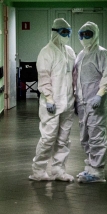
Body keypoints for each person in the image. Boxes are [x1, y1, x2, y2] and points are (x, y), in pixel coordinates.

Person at [30, 18, 77, 181]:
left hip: (68, 102)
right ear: (55, 33)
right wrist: (49, 98)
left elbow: (73, 75)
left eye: (68, 32)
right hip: (52, 103)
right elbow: (44, 77)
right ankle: (38, 170)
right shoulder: (46, 52)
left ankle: (58, 171)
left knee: (63, 139)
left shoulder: (70, 51)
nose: (67, 35)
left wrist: (76, 96)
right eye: (64, 32)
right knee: (48, 138)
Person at [73, 21, 107, 183]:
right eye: (81, 34)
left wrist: (100, 94)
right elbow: (77, 79)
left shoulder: (102, 54)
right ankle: (90, 166)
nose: (84, 37)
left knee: (96, 135)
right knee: (85, 137)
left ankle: (98, 172)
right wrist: (76, 98)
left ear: (95, 34)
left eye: (88, 34)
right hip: (83, 102)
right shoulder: (81, 55)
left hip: (97, 102)